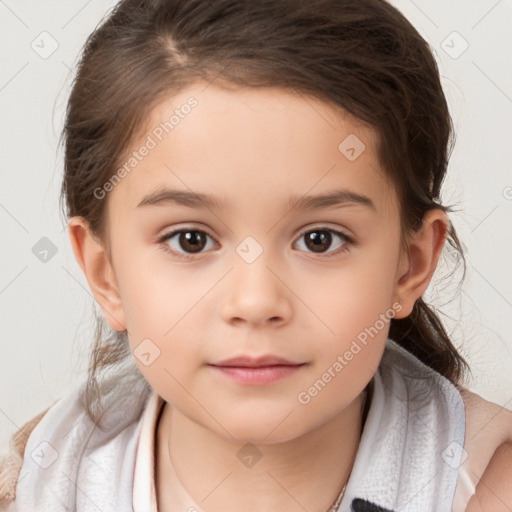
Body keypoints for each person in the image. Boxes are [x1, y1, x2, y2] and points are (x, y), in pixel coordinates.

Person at [1, 0, 511, 511]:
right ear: (105, 272)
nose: (255, 301)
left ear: (411, 264)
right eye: (191, 240)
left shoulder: (486, 491)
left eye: (320, 239)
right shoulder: (37, 492)